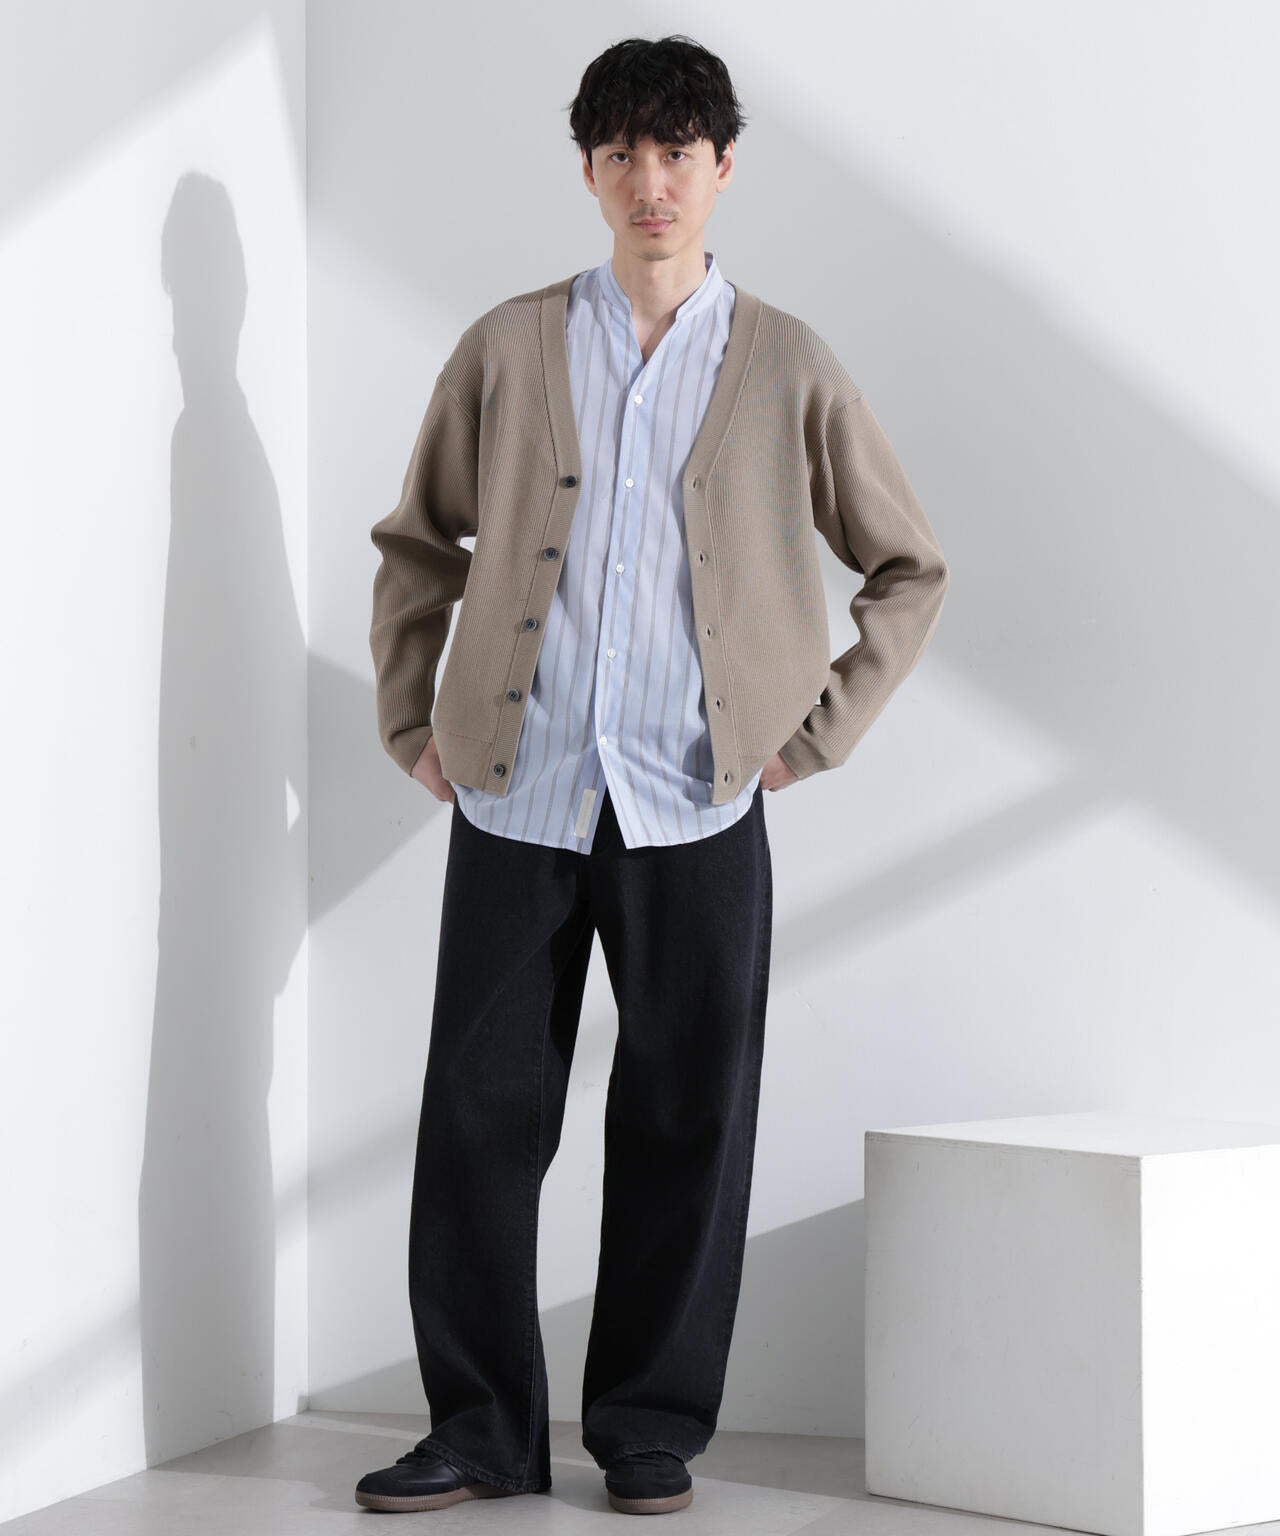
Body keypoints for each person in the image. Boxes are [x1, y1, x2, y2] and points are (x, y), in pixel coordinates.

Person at [355, 33, 949, 1517]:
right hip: (520, 790)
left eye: (677, 151)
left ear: (722, 167)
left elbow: (908, 567)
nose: (650, 181)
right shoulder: (509, 347)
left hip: (698, 801)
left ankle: (647, 1426)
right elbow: (419, 542)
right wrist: (412, 718)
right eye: (621, 151)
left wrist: (811, 732)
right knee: (479, 1117)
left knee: (690, 1115)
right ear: (589, 170)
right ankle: (480, 1430)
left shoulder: (787, 362)